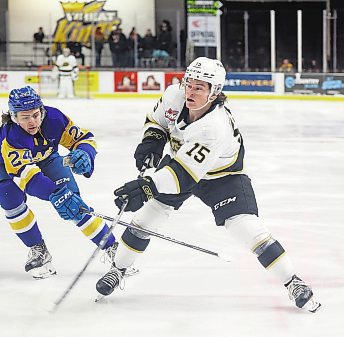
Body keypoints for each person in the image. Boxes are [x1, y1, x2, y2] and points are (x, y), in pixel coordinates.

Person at [96, 57, 321, 313]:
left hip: (222, 177)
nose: (190, 91)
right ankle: (119, 269)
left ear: (214, 93)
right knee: (145, 220)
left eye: (199, 88)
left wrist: (146, 186)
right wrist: (152, 141)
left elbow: (180, 176)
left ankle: (293, 281)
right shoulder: (175, 95)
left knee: (247, 229)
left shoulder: (214, 127)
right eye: (188, 84)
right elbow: (156, 121)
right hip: (181, 163)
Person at [0, 86, 122, 279]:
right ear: (14, 117)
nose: (33, 122)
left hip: (47, 158)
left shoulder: (54, 118)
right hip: (5, 166)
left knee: (74, 204)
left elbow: (85, 138)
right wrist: (55, 192)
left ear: (41, 110)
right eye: (25, 117)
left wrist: (85, 154)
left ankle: (114, 248)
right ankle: (38, 250)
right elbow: (28, 177)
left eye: (35, 114)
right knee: (8, 195)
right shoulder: (10, 136)